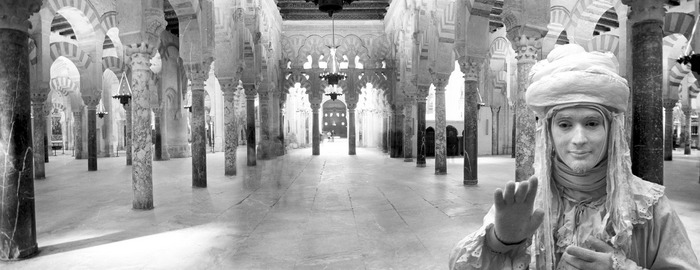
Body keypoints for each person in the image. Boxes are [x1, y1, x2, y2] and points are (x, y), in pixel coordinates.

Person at [448, 44, 700, 269]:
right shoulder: (526, 203)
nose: (578, 139)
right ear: (548, 133)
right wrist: (500, 241)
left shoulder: (649, 207)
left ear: (611, 130)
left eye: (591, 123)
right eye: (565, 125)